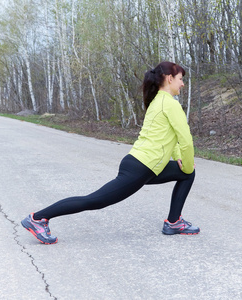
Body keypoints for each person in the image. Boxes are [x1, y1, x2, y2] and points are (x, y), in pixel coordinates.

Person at [21, 61, 200, 244]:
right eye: (180, 79)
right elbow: (185, 140)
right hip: (141, 168)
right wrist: (186, 165)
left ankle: (174, 222)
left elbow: (174, 138)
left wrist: (180, 160)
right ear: (170, 79)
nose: (182, 83)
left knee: (187, 174)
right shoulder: (170, 104)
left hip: (145, 164)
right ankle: (38, 218)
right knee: (94, 200)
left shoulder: (158, 101)